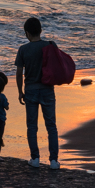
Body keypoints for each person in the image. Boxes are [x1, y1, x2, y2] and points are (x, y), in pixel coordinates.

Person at [14, 17, 60, 169]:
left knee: (32, 126)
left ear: (27, 33)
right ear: (40, 31)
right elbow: (56, 65)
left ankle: (35, 158)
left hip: (31, 90)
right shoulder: (50, 45)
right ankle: (53, 161)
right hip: (47, 90)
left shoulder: (23, 49)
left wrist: (20, 91)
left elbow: (19, 73)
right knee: (51, 125)